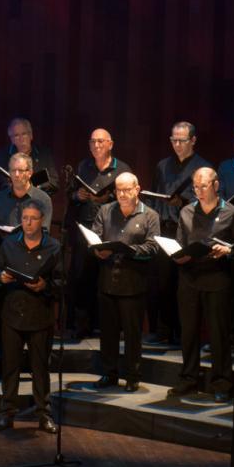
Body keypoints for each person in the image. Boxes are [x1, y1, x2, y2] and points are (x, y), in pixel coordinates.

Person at [169, 167, 234, 400]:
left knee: (218, 335)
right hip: (190, 279)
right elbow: (180, 244)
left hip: (218, 279)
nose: (199, 191)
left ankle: (221, 383)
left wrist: (229, 251)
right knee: (189, 333)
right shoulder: (186, 212)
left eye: (203, 186)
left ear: (215, 185)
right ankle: (188, 379)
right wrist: (178, 255)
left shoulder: (232, 213)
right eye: (195, 187)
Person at [0, 201, 61, 432]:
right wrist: (1, 277)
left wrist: (46, 285)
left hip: (40, 314)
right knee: (10, 366)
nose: (28, 223)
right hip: (12, 313)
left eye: (33, 218)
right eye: (24, 218)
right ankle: (6, 413)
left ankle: (44, 414)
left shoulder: (53, 246)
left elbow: (62, 281)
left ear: (42, 220)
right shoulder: (10, 244)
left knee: (40, 367)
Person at [0, 153, 54, 377]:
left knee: (35, 320)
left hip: (33, 264)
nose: (16, 175)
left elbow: (45, 234)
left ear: (30, 173)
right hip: (5, 264)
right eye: (12, 170)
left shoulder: (42, 199)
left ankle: (37, 367)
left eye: (21, 171)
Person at [90, 172, 158, 390]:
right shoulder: (105, 210)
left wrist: (128, 251)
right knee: (108, 333)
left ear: (137, 189)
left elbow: (153, 247)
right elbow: (95, 237)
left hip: (133, 284)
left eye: (127, 189)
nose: (122, 194)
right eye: (118, 190)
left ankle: (132, 375)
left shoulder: (149, 215)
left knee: (132, 333)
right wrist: (97, 250)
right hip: (107, 281)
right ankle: (109, 373)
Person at [148, 121, 212, 343]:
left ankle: (183, 333)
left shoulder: (202, 167)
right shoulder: (163, 165)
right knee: (162, 282)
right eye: (173, 140)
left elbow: (206, 202)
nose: (176, 144)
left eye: (181, 140)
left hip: (189, 231)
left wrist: (182, 201)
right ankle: (163, 331)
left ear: (193, 140)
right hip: (165, 228)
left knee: (185, 284)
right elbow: (155, 196)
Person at [67, 129, 132, 339]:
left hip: (112, 229)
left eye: (101, 142)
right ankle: (81, 326)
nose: (96, 145)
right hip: (86, 229)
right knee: (82, 277)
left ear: (111, 144)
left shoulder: (121, 168)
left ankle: (110, 327)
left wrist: (108, 199)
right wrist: (78, 195)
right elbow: (72, 194)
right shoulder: (83, 166)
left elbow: (130, 199)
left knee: (110, 279)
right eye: (93, 141)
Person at [0, 117, 58, 195]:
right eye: (16, 136)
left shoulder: (44, 154)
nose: (21, 139)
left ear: (31, 135)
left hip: (39, 200)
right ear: (12, 140)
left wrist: (34, 188)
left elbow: (54, 182)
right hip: (14, 202)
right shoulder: (4, 155)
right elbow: (3, 183)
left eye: (24, 134)